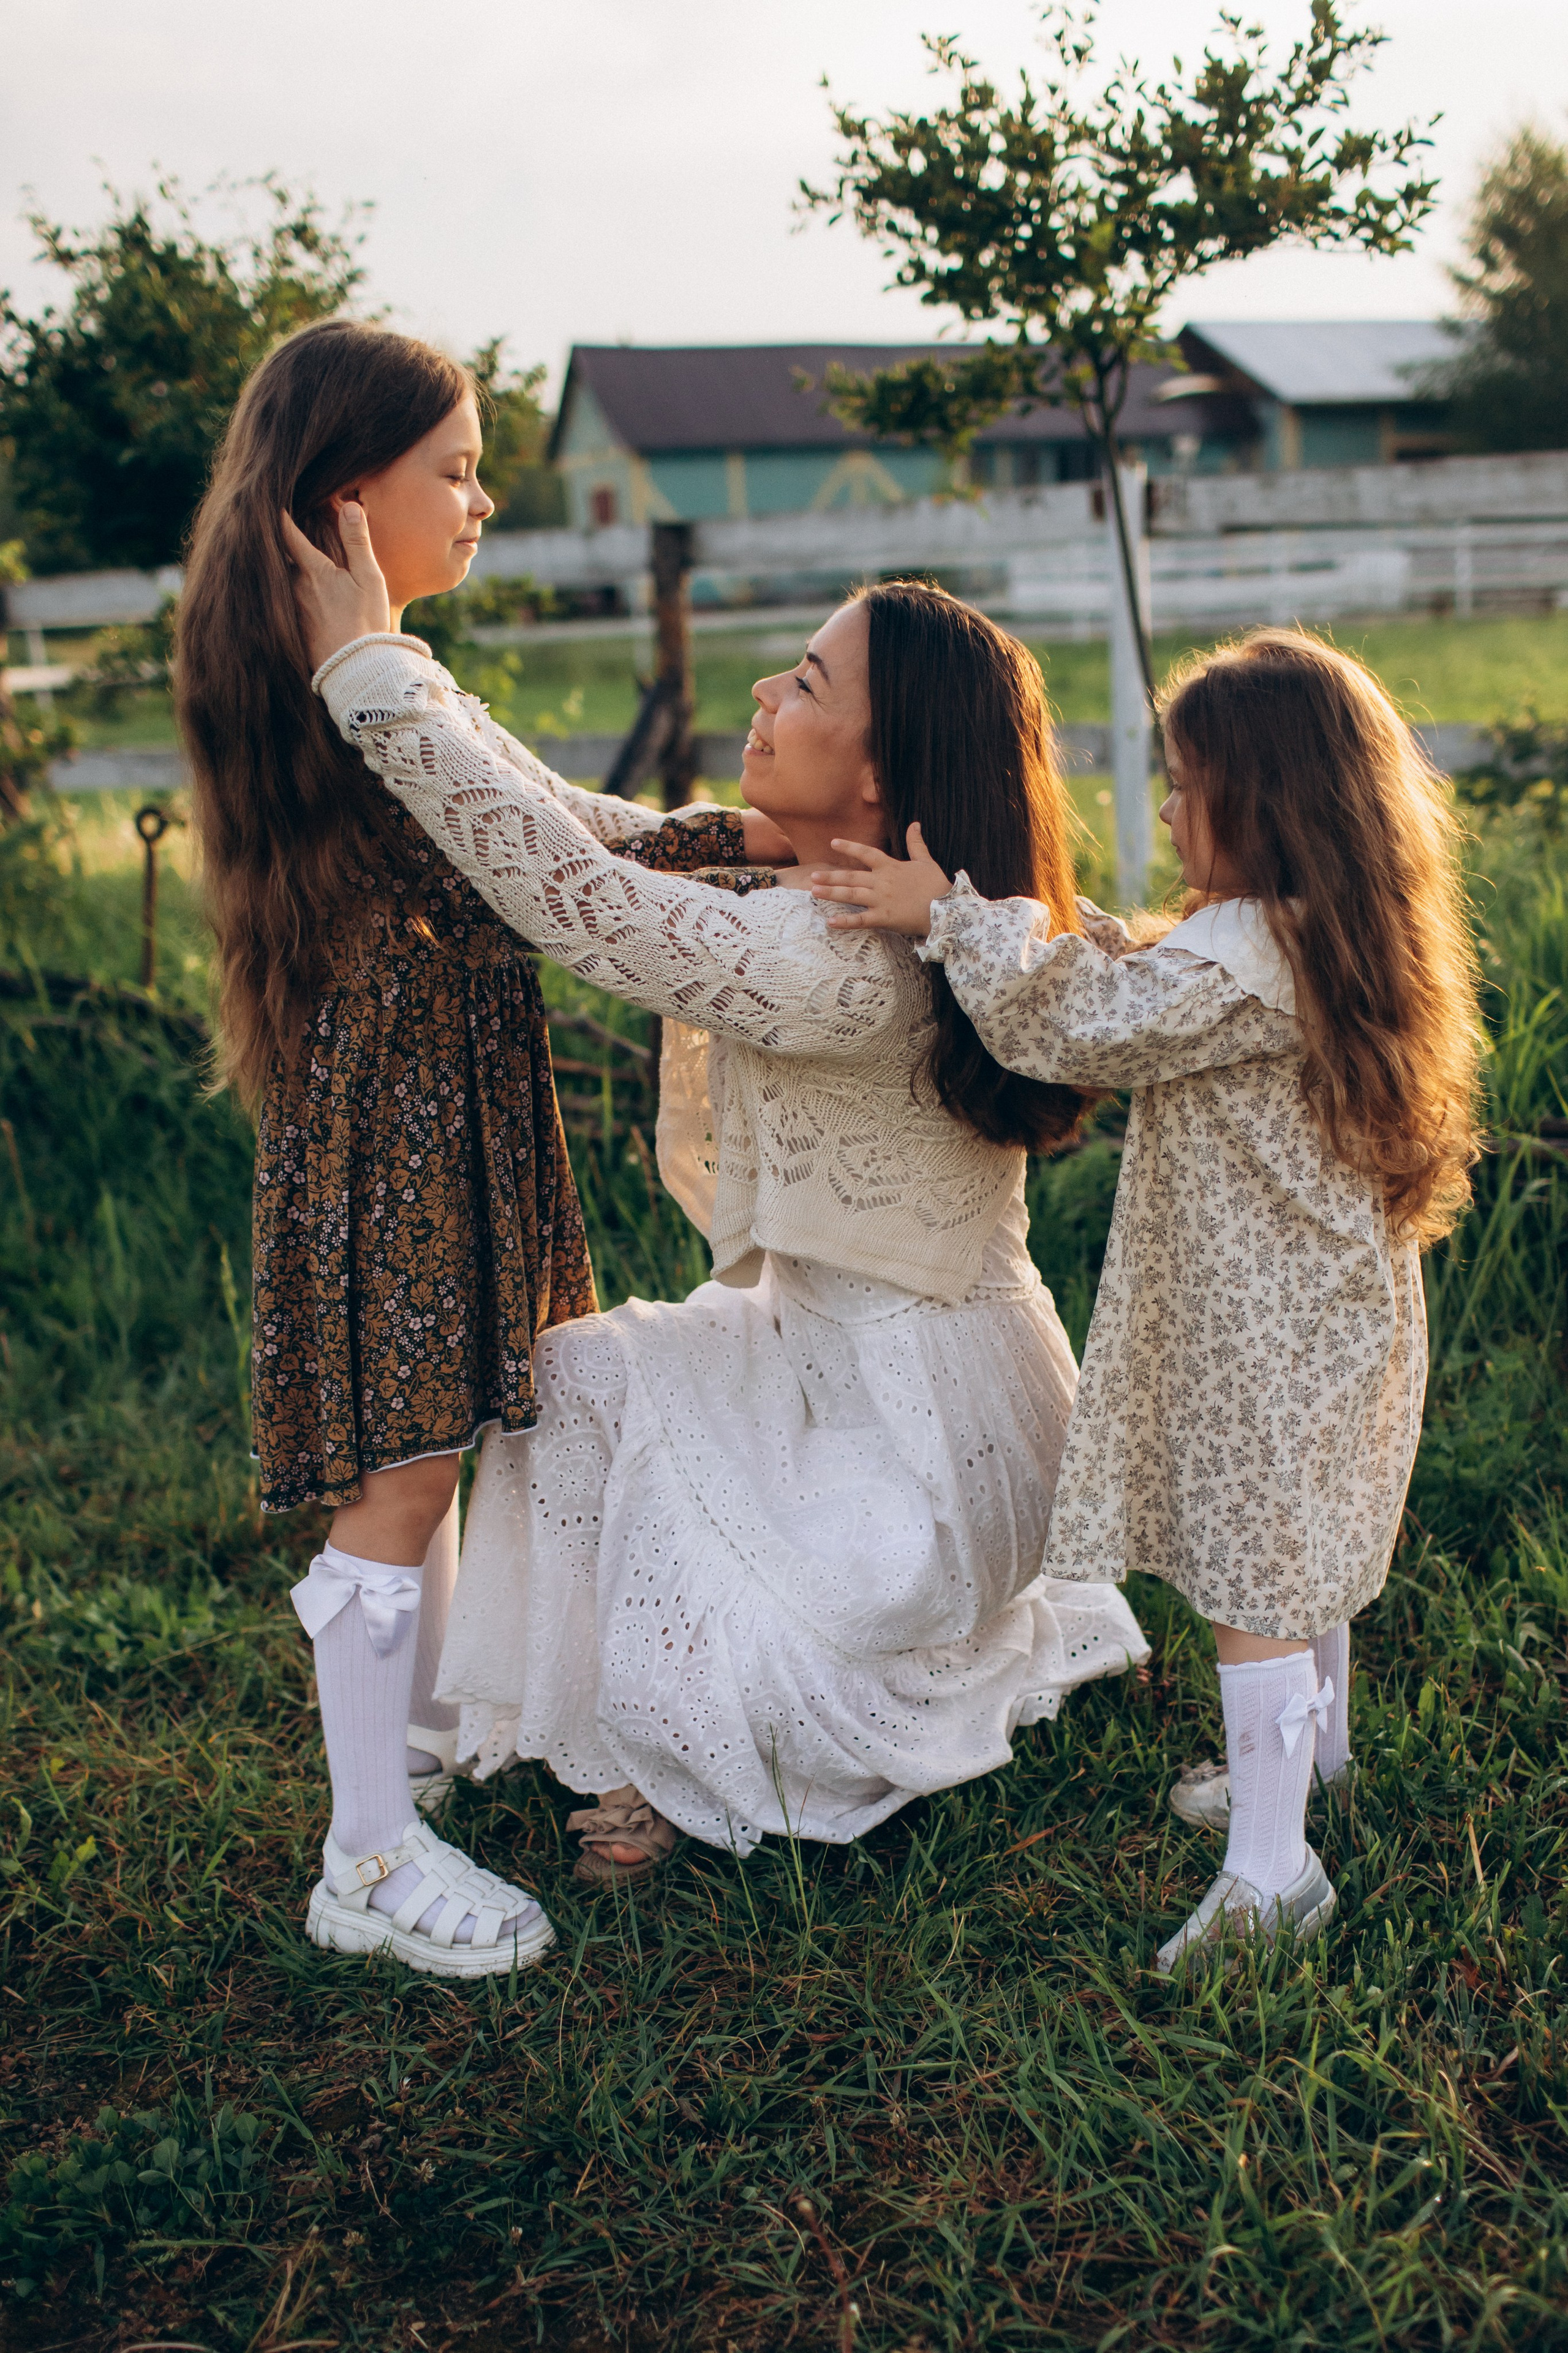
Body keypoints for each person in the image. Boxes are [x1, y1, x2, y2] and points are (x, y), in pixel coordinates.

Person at [284, 525, 1151, 1880]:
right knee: (574, 1378)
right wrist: (397, 670)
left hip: (931, 1434)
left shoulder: (849, 957)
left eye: (804, 682)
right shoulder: (842, 884)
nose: (763, 692)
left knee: (769, 1674)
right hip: (809, 1357)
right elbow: (603, 833)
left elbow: (582, 901)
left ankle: (712, 1752)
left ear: (880, 772)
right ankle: (661, 1725)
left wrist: (370, 677)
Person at [179, 319, 785, 1974]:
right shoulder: (361, 693)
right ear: (346, 496)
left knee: (427, 1445)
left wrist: (752, 838)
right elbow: (548, 853)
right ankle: (368, 1855)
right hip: (400, 1120)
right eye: (453, 470)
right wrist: (746, 851)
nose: (484, 498)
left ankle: (419, 1751)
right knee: (396, 1474)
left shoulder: (370, 676)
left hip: (426, 1101)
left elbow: (555, 822)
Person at [810, 629, 1483, 1974]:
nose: (1166, 811)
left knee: (1255, 1587)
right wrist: (1038, 923)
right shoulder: (1308, 929)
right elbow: (1135, 977)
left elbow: (1082, 1024)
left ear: (1268, 802)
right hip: (1315, 1315)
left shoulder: (1250, 952)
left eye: (1186, 786)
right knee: (1298, 1559)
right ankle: (1310, 1762)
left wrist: (953, 918)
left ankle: (1272, 1870)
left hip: (1267, 1334)